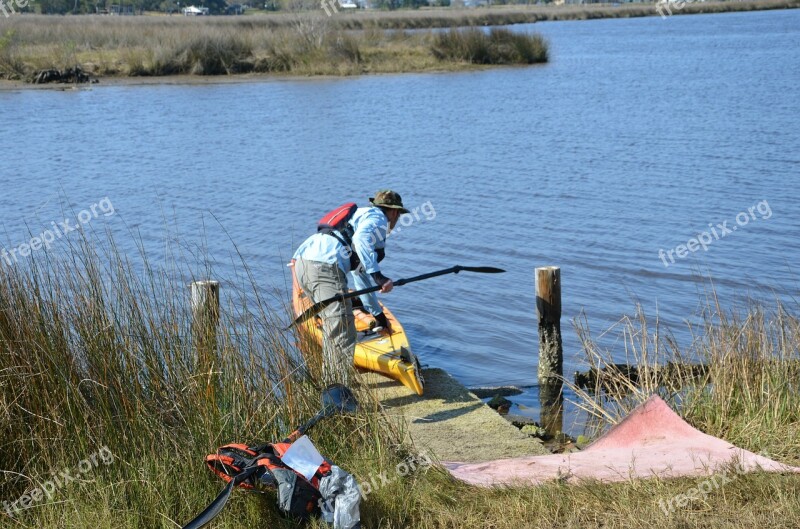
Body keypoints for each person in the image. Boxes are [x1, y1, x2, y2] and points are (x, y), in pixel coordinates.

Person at [293, 190, 409, 385]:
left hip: (303, 264)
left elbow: (359, 276)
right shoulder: (378, 219)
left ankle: (330, 384)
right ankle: (338, 395)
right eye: (398, 215)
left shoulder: (357, 219)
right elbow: (362, 240)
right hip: (324, 269)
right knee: (344, 333)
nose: (396, 220)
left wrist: (377, 314)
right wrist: (379, 277)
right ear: (394, 212)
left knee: (334, 329)